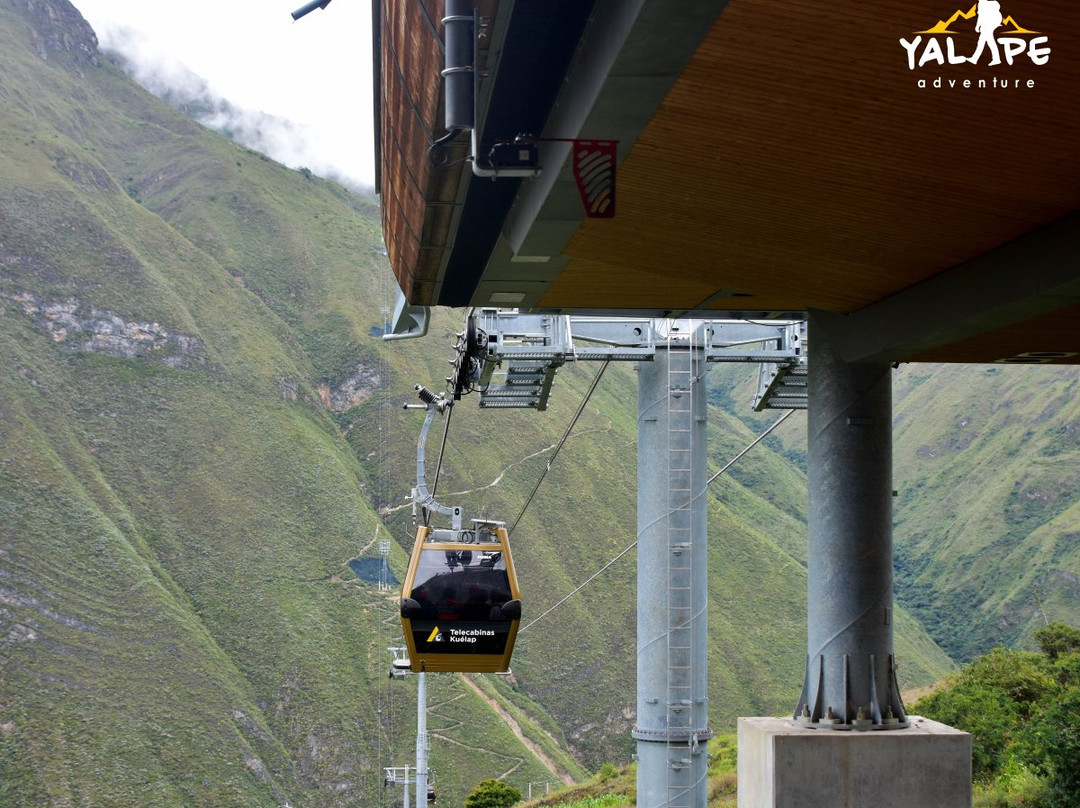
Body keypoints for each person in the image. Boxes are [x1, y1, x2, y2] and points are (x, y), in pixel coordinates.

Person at [969, 0, 1003, 65]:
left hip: (989, 23)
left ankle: (975, 59)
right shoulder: (985, 3)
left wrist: (977, 26)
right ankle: (975, 59)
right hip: (994, 22)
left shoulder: (982, 3)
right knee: (986, 41)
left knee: (984, 41)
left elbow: (981, 17)